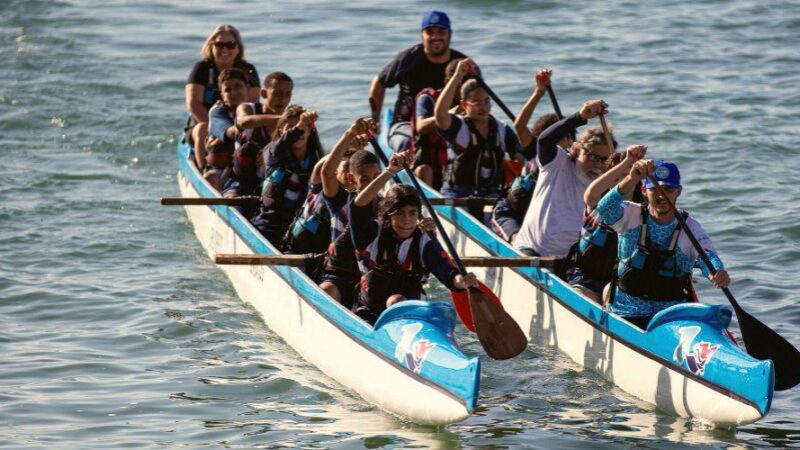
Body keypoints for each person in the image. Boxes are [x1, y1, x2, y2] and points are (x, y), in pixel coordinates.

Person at [597, 159, 730, 329]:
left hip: (671, 315)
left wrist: (716, 272)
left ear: (679, 191)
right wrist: (631, 178)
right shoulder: (631, 215)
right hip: (627, 312)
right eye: (655, 190)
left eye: (668, 189)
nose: (662, 195)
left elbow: (707, 254)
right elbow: (604, 208)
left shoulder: (690, 228)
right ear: (644, 190)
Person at [348, 152, 478, 324]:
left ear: (418, 215)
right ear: (388, 216)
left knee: (398, 300)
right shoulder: (373, 232)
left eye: (412, 213)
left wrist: (460, 281)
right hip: (369, 314)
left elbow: (445, 270)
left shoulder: (424, 241)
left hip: (412, 317)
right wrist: (390, 171)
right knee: (395, 300)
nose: (407, 221)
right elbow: (358, 206)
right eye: (399, 214)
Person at [514, 99, 616, 257]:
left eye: (604, 159)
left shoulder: (607, 184)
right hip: (532, 251)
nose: (597, 165)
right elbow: (544, 140)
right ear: (578, 149)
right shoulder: (557, 163)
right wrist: (580, 117)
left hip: (572, 260)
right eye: (592, 156)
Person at [368, 10, 470, 153]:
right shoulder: (407, 59)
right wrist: (375, 119)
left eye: (441, 31)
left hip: (449, 124)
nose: (435, 36)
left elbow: (477, 94)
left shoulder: (460, 65)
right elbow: (379, 82)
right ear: (422, 35)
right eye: (429, 32)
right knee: (406, 143)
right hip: (405, 124)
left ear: (449, 34)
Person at [434, 59, 525, 208]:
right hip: (457, 193)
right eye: (476, 102)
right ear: (464, 104)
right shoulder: (458, 126)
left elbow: (523, 157)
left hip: (492, 194)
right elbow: (440, 114)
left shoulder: (502, 129)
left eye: (487, 101)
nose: (483, 107)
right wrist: (457, 76)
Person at [563, 145, 646, 302]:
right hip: (585, 278)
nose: (622, 182)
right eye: (616, 177)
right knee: (585, 299)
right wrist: (628, 161)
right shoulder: (596, 203)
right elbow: (591, 193)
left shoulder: (643, 213)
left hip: (621, 283)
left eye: (627, 177)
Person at [318, 120, 383, 307]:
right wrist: (349, 135)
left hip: (371, 277)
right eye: (364, 179)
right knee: (327, 291)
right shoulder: (341, 201)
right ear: (350, 179)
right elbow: (327, 173)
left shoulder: (387, 206)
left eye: (376, 178)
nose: (371, 183)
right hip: (339, 275)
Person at [490, 69, 559, 243]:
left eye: (566, 137)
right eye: (558, 138)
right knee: (518, 241)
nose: (565, 143)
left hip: (538, 219)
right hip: (511, 214)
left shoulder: (570, 158)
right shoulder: (535, 151)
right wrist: (539, 92)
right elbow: (520, 125)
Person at [185, 24, 259, 170]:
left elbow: (253, 102)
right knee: (202, 128)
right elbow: (193, 103)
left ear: (238, 48)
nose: (224, 49)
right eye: (219, 44)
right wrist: (216, 130)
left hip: (238, 121)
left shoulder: (248, 70)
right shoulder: (202, 68)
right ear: (211, 47)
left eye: (230, 45)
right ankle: (204, 170)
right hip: (205, 122)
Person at [250, 106, 323, 247]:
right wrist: (301, 124)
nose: (299, 131)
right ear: (280, 131)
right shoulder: (272, 153)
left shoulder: (316, 161)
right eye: (291, 127)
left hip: (300, 229)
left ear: (309, 131)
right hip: (269, 226)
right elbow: (281, 145)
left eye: (303, 127)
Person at [224, 72, 295, 199]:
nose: (283, 99)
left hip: (273, 182)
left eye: (287, 95)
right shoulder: (248, 108)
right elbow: (243, 121)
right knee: (233, 200)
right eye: (277, 93)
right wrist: (282, 119)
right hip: (240, 180)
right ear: (264, 94)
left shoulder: (290, 122)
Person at [410, 59, 462, 189]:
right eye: (460, 83)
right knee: (424, 171)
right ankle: (426, 206)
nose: (463, 89)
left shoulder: (473, 105)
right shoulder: (428, 99)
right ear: (447, 81)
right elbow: (421, 126)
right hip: (430, 166)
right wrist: (446, 114)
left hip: (456, 168)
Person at [204, 68, 250, 191]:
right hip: (222, 170)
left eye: (238, 86)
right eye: (228, 90)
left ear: (247, 89)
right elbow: (231, 132)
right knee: (210, 177)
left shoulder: (256, 110)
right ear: (222, 95)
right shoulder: (217, 112)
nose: (234, 92)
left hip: (249, 169)